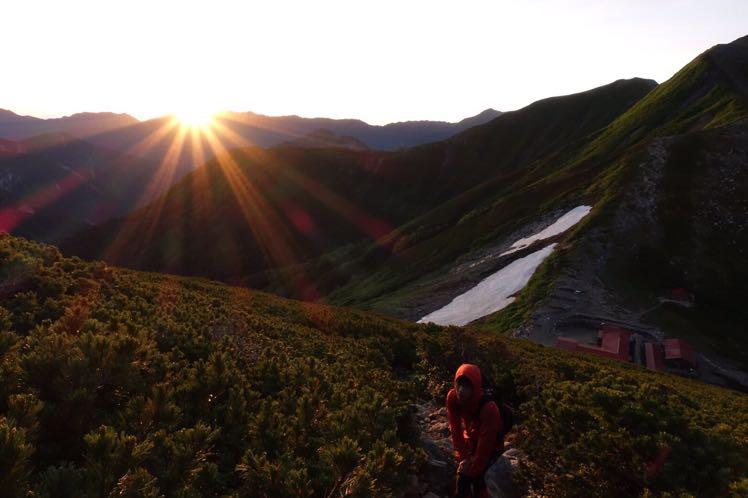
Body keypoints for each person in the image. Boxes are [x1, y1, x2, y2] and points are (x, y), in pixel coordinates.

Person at [446, 363, 503, 498]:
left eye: (467, 386)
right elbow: (456, 430)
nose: (460, 390)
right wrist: (464, 458)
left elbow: (485, 445)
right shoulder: (453, 397)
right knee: (464, 476)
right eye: (458, 384)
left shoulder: (489, 408)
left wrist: (471, 470)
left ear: (476, 387)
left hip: (492, 444)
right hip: (472, 438)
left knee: (475, 479)